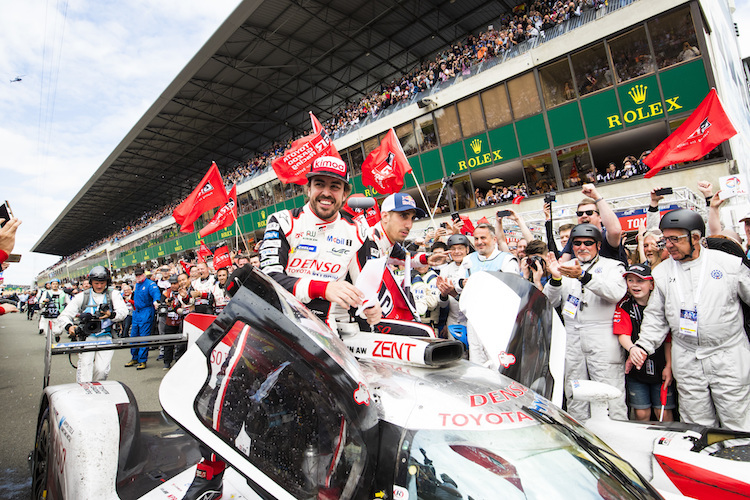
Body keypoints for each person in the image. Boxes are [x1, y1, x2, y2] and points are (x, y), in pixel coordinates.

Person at [184, 155, 382, 500]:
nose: (326, 192)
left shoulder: (358, 230)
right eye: (319, 184)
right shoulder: (283, 221)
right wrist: (323, 287)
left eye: (335, 186)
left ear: (344, 192)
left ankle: (323, 487)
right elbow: (270, 278)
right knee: (226, 396)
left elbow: (366, 287)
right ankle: (210, 473)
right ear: (308, 187)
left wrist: (369, 305)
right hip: (270, 325)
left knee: (329, 417)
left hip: (322, 338)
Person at [628, 209, 750, 431]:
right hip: (687, 357)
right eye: (666, 239)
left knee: (737, 419)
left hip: (728, 355)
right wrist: (644, 346)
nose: (669, 245)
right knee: (696, 424)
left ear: (695, 237)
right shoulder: (662, 273)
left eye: (675, 239)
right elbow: (656, 316)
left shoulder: (729, 264)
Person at [544, 223, 628, 421]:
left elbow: (615, 294)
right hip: (573, 335)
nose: (582, 247)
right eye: (577, 243)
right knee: (575, 391)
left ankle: (617, 436)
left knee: (610, 390)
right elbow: (549, 302)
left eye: (588, 243)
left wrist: (584, 276)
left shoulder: (612, 266)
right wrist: (555, 279)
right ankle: (581, 434)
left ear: (598, 245)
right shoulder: (565, 267)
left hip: (603, 334)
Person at [613, 264, 674, 422]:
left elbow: (668, 339)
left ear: (652, 284)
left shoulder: (663, 304)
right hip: (636, 368)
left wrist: (669, 365)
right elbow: (622, 334)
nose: (634, 285)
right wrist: (632, 349)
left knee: (663, 412)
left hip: (661, 367)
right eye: (630, 280)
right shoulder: (624, 305)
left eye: (640, 281)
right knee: (641, 413)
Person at [58, 266, 128, 382]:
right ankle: (84, 394)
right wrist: (69, 327)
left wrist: (111, 314)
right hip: (86, 337)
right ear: (91, 282)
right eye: (96, 283)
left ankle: (97, 391)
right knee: (85, 368)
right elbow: (64, 316)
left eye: (102, 283)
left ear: (107, 282)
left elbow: (123, 312)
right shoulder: (81, 297)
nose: (99, 286)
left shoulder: (113, 295)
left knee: (102, 370)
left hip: (106, 335)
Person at [559, 184, 627, 265]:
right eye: (580, 214)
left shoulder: (605, 236)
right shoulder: (574, 238)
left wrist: (597, 197)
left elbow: (615, 231)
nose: (584, 216)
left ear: (600, 217)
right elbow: (563, 263)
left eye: (589, 213)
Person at [124, 267, 162, 370]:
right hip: (137, 312)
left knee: (144, 337)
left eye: (140, 275)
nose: (138, 277)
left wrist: (156, 302)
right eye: (136, 275)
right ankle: (134, 357)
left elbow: (156, 295)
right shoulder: (137, 284)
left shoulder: (150, 284)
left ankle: (142, 360)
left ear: (144, 274)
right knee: (134, 336)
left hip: (146, 311)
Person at [159, 275, 190, 370]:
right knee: (168, 341)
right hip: (170, 320)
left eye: (175, 283)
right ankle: (167, 362)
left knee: (182, 343)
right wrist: (165, 302)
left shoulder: (184, 291)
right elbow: (161, 305)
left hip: (182, 319)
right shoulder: (166, 293)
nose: (173, 286)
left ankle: (180, 362)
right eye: (171, 284)